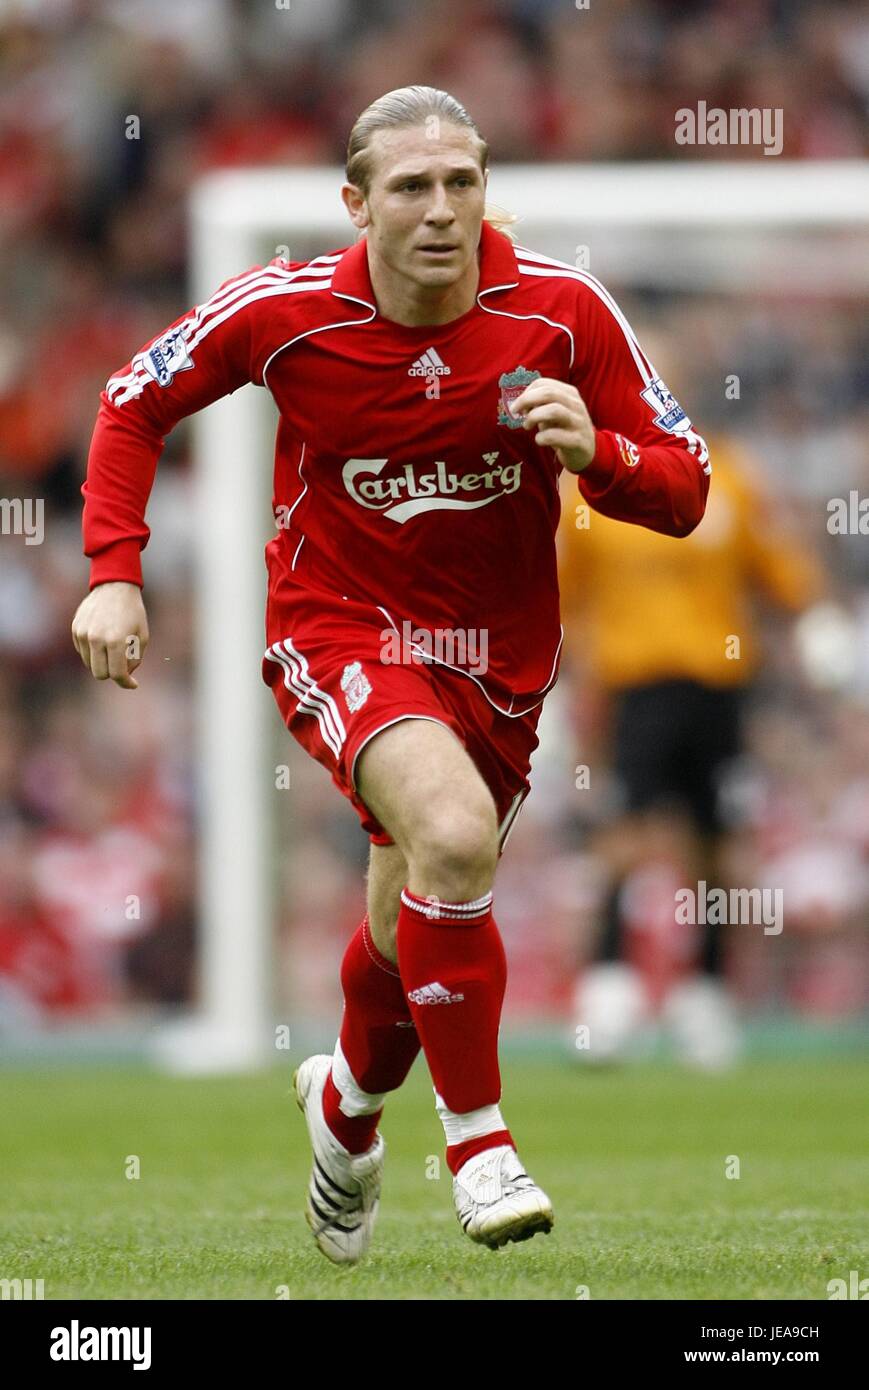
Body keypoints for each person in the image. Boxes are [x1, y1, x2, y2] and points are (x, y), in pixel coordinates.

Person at [71, 85, 710, 1263]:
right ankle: (479, 1143)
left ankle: (345, 1110)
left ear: (483, 193)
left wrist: (600, 454)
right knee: (455, 839)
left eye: (459, 182)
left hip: (497, 665)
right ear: (356, 204)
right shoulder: (286, 311)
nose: (438, 209)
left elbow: (685, 484)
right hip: (341, 627)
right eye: (409, 188)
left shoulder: (562, 315)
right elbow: (130, 403)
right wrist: (115, 570)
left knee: (409, 919)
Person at [558, 428, 824, 1067]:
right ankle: (609, 989)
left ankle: (704, 992)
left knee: (718, 843)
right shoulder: (591, 487)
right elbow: (564, 591)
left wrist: (813, 624)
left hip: (717, 686)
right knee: (623, 834)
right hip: (631, 685)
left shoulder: (729, 478)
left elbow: (784, 575)